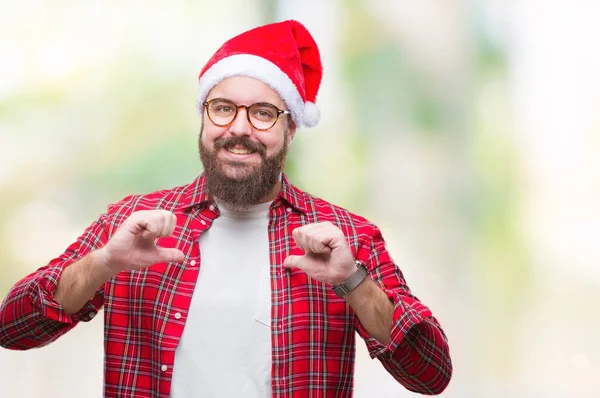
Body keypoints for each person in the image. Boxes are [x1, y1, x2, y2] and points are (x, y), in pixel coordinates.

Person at [0, 20, 452, 397]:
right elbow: (12, 329)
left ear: (290, 127)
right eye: (222, 109)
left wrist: (354, 282)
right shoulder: (133, 223)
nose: (239, 128)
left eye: (262, 113)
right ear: (202, 118)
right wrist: (103, 262)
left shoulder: (346, 238)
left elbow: (431, 374)